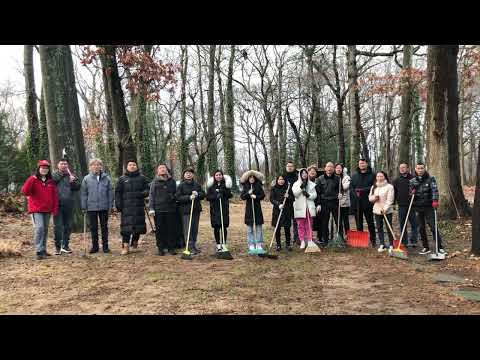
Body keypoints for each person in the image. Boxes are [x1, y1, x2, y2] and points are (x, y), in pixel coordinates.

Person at [21, 160, 59, 260]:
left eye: (46, 168)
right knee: (40, 228)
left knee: (45, 230)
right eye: (42, 168)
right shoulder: (33, 179)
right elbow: (25, 191)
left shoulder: (50, 181)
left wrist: (54, 209)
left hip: (47, 209)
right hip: (36, 209)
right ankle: (38, 251)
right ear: (39, 169)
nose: (44, 170)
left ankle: (43, 250)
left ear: (48, 170)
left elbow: (54, 196)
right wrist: (32, 179)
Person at [409, 162, 446, 255]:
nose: (420, 170)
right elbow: (410, 193)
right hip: (418, 207)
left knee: (433, 226)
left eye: (422, 168)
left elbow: (434, 190)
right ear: (415, 169)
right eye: (418, 168)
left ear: (424, 169)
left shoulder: (430, 179)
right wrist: (412, 192)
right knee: (421, 228)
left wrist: (435, 200)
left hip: (429, 207)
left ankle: (439, 247)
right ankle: (426, 247)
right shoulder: (412, 181)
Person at [114, 160, 150, 255]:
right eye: (130, 165)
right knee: (126, 228)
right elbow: (117, 192)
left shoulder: (142, 178)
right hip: (126, 207)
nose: (132, 166)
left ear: (137, 167)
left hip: (138, 206)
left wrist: (143, 193)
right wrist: (118, 205)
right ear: (127, 167)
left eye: (134, 165)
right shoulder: (122, 179)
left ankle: (135, 242)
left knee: (138, 226)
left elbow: (148, 188)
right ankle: (125, 246)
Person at [80, 159, 114, 254]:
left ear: (101, 166)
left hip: (103, 206)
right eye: (94, 165)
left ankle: (105, 246)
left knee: (104, 227)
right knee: (93, 227)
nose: (96, 166)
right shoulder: (86, 179)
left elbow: (110, 192)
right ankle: (95, 247)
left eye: (98, 165)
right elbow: (84, 194)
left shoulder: (107, 178)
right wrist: (84, 206)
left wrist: (110, 206)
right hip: (91, 207)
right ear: (90, 167)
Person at [52, 158, 81, 255]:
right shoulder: (54, 175)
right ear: (58, 165)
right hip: (57, 205)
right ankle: (58, 247)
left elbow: (77, 187)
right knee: (58, 226)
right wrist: (62, 176)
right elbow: (52, 184)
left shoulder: (72, 175)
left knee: (68, 226)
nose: (64, 165)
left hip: (69, 204)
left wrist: (73, 181)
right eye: (62, 164)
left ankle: (65, 245)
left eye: (65, 164)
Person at [148, 163, 178, 256]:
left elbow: (176, 193)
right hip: (158, 209)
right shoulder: (154, 182)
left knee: (171, 229)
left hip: (170, 209)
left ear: (167, 170)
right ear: (157, 171)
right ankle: (161, 248)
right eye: (160, 168)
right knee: (160, 229)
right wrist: (151, 208)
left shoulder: (172, 181)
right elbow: (151, 195)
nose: (162, 169)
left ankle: (171, 247)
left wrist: (173, 197)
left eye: (164, 168)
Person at [176, 167, 206, 255]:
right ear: (184, 175)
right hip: (185, 211)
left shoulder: (197, 185)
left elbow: (203, 194)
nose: (188, 174)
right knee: (187, 228)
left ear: (193, 175)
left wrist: (198, 194)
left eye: (190, 173)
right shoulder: (181, 185)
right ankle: (189, 246)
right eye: (187, 173)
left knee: (194, 228)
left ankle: (193, 245)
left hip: (196, 210)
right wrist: (188, 197)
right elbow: (178, 197)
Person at [350, 158, 376, 247]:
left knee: (370, 222)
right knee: (358, 222)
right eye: (360, 163)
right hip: (357, 202)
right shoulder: (354, 175)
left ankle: (373, 241)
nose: (362, 165)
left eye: (363, 163)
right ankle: (360, 240)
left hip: (368, 202)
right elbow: (351, 188)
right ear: (358, 164)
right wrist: (355, 193)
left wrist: (362, 190)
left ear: (366, 164)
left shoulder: (372, 175)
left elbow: (374, 187)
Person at [206, 169, 233, 253]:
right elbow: (208, 197)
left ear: (222, 176)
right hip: (215, 210)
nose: (218, 176)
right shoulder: (211, 186)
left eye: (220, 175)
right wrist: (215, 196)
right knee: (216, 227)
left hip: (224, 209)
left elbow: (230, 195)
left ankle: (224, 244)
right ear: (214, 176)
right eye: (217, 175)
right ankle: (218, 245)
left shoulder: (226, 185)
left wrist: (222, 192)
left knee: (224, 227)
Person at [240, 170, 266, 255]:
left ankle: (259, 244)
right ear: (248, 178)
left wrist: (256, 197)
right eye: (250, 177)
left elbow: (262, 196)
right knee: (249, 229)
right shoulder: (246, 187)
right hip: (249, 210)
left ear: (255, 178)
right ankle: (251, 245)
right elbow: (242, 197)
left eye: (253, 177)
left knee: (258, 227)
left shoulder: (258, 186)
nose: (251, 179)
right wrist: (248, 193)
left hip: (257, 209)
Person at [368, 171, 395, 252]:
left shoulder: (389, 187)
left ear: (385, 177)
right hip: (377, 210)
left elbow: (390, 200)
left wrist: (385, 209)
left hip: (387, 211)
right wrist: (374, 198)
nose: (379, 178)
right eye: (378, 176)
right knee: (379, 228)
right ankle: (382, 244)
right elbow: (370, 198)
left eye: (381, 176)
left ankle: (391, 244)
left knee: (389, 228)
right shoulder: (374, 187)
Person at [393, 162, 418, 247]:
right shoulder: (396, 180)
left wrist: (415, 192)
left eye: (404, 167)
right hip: (401, 205)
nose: (402, 169)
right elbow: (395, 192)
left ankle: (414, 240)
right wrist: (393, 203)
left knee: (414, 223)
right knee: (402, 224)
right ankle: (404, 242)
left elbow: (418, 189)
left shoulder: (414, 178)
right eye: (401, 168)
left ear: (408, 168)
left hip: (412, 205)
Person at [292, 168, 318, 250]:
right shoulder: (296, 184)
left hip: (309, 207)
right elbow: (295, 194)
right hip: (300, 207)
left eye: (305, 173)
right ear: (300, 174)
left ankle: (310, 240)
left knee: (309, 224)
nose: (304, 174)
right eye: (302, 173)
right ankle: (302, 240)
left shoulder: (311, 184)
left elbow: (315, 195)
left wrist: (308, 195)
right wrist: (301, 188)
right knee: (300, 225)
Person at [316, 162, 340, 247]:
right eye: (328, 166)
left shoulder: (338, 179)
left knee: (338, 222)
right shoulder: (320, 179)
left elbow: (340, 190)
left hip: (335, 203)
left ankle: (339, 240)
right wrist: (318, 204)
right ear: (325, 168)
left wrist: (340, 195)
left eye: (331, 167)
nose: (329, 168)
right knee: (324, 223)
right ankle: (325, 241)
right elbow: (318, 193)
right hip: (324, 203)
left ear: (333, 169)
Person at [270, 175, 294, 251]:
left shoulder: (288, 188)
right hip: (277, 211)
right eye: (279, 179)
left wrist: (288, 196)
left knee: (287, 227)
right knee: (277, 228)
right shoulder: (274, 189)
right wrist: (278, 204)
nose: (281, 181)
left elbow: (293, 199)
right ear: (277, 180)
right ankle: (278, 244)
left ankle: (288, 244)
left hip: (287, 210)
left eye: (283, 179)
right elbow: (272, 199)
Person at [283, 161, 299, 244]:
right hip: (286, 202)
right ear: (286, 167)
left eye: (291, 166)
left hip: (295, 200)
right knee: (287, 221)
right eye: (288, 166)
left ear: (294, 167)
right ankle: (288, 239)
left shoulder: (297, 177)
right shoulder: (283, 177)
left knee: (296, 220)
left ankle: (296, 238)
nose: (289, 167)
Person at [335, 163, 351, 236]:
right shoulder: (334, 177)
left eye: (340, 168)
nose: (338, 169)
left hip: (344, 202)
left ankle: (347, 235)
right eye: (337, 168)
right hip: (336, 202)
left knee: (345, 220)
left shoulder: (346, 177)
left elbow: (345, 187)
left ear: (342, 169)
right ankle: (340, 235)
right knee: (338, 220)